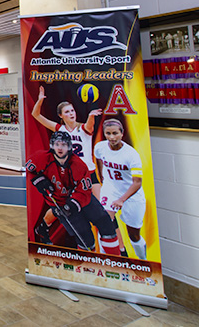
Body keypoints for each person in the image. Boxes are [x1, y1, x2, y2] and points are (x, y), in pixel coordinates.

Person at [26, 131, 121, 255]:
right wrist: (38, 180)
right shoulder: (40, 158)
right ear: (52, 145)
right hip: (59, 203)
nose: (60, 148)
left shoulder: (79, 165)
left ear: (69, 147)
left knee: (105, 223)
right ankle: (88, 265)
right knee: (85, 237)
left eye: (64, 145)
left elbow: (85, 190)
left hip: (80, 200)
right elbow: (29, 170)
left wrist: (73, 204)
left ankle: (115, 259)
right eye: (57, 144)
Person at [32, 86, 102, 197]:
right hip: (71, 174)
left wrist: (91, 116)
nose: (71, 113)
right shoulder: (60, 129)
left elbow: (90, 125)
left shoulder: (83, 128)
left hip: (89, 172)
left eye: (72, 111)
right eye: (67, 112)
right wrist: (40, 100)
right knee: (75, 208)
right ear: (61, 115)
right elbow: (36, 115)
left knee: (100, 207)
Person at [93, 119, 148, 259]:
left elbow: (137, 183)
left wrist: (122, 200)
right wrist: (103, 180)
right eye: (108, 133)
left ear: (122, 134)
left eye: (115, 133)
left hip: (131, 195)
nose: (112, 137)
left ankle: (143, 262)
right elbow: (99, 160)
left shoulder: (131, 155)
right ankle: (107, 261)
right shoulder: (100, 147)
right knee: (104, 222)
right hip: (111, 189)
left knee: (134, 235)